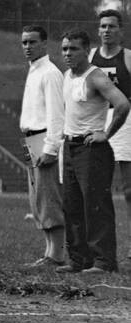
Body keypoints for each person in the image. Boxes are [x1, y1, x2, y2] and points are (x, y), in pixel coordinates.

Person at [58, 28, 129, 274]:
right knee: (72, 204)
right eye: (65, 48)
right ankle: (79, 260)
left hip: (92, 149)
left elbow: (122, 104)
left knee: (95, 205)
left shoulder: (96, 76)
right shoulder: (67, 76)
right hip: (70, 147)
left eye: (73, 49)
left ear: (87, 51)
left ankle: (104, 262)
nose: (68, 53)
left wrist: (106, 134)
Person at [19, 24, 65, 266]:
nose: (27, 47)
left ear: (44, 44)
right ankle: (48, 251)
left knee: (49, 197)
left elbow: (57, 114)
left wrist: (51, 148)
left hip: (43, 138)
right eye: (24, 42)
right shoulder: (33, 71)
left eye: (32, 42)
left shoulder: (50, 73)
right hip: (29, 139)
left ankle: (57, 254)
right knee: (37, 198)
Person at [88, 9, 131, 237]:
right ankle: (96, 240)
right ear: (98, 30)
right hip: (95, 120)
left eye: (112, 26)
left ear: (120, 31)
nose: (107, 30)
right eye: (103, 26)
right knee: (93, 187)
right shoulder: (89, 56)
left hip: (125, 121)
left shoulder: (128, 57)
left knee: (129, 189)